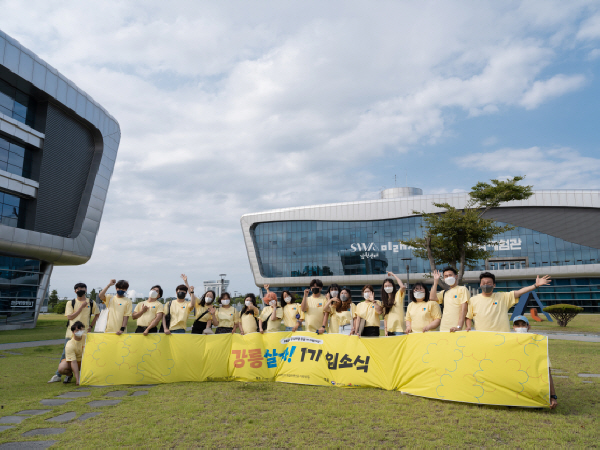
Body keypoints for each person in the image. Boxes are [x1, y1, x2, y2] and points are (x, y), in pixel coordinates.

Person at [48, 282, 99, 383]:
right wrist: (81, 307)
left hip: (85, 334)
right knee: (65, 354)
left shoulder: (91, 302)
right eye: (78, 288)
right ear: (75, 291)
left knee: (87, 354)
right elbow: (70, 317)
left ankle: (87, 374)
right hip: (71, 334)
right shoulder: (70, 303)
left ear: (86, 290)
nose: (80, 290)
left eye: (82, 288)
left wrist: (91, 326)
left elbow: (97, 314)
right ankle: (59, 375)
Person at [467, 272, 552, 332]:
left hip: (503, 336)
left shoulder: (503, 297)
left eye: (489, 283)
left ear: (494, 285)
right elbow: (468, 317)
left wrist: (535, 285)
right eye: (484, 283)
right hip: (482, 337)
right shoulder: (473, 300)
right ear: (480, 285)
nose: (486, 285)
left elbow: (520, 292)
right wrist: (468, 327)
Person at [513, 315, 557, 409]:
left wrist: (553, 397)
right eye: (517, 325)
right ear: (513, 328)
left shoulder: (537, 343)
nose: (520, 327)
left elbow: (546, 371)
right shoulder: (509, 342)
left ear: (528, 327)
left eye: (523, 325)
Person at [433, 267, 470, 332]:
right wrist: (436, 281)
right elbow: (432, 298)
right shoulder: (444, 292)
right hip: (444, 328)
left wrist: (459, 327)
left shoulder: (462, 289)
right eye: (446, 276)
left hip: (457, 328)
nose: (448, 277)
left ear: (456, 276)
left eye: (450, 275)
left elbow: (464, 310)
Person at [56, 321, 86, 385]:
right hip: (75, 362)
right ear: (73, 332)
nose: (79, 332)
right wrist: (78, 380)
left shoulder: (87, 338)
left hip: (86, 361)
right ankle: (69, 375)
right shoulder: (70, 344)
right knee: (61, 368)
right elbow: (73, 362)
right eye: (77, 330)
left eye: (81, 330)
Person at [382, 272, 406, 336]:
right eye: (385, 286)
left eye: (389, 285)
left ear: (393, 286)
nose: (387, 287)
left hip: (399, 329)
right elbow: (385, 317)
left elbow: (402, 287)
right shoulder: (384, 301)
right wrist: (385, 330)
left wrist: (393, 275)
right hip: (389, 329)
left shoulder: (398, 295)